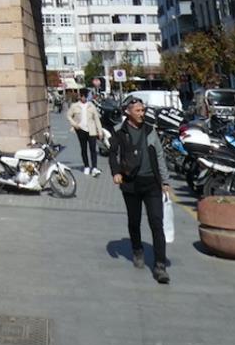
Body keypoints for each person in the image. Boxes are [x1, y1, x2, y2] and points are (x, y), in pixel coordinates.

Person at [109, 95, 172, 284]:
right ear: (128, 112)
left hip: (151, 182)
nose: (141, 114)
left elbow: (159, 155)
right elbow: (113, 154)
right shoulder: (119, 131)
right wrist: (116, 172)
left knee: (156, 222)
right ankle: (137, 249)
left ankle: (160, 265)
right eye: (138, 111)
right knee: (134, 220)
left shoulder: (150, 130)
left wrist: (165, 181)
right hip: (130, 183)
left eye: (143, 110)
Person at [67, 88, 104, 176]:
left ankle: (94, 167)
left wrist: (100, 131)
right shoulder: (74, 106)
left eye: (85, 96)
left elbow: (96, 119)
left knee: (93, 149)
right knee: (83, 149)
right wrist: (74, 124)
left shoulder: (91, 105)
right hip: (80, 130)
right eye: (82, 96)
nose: (83, 98)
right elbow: (68, 116)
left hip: (91, 130)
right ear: (80, 97)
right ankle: (86, 166)